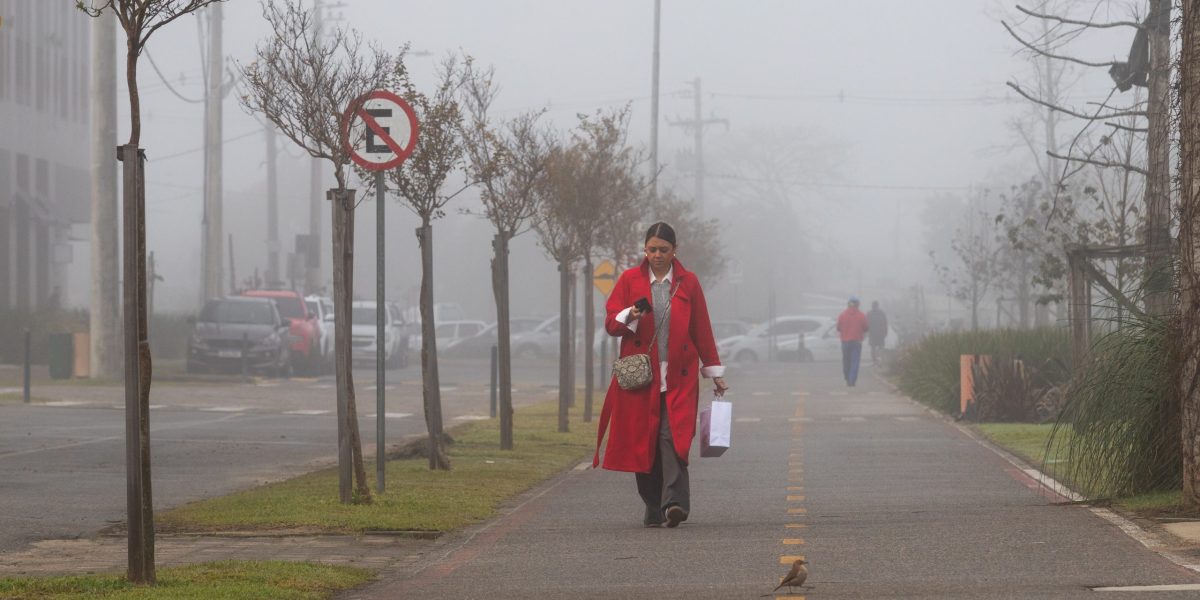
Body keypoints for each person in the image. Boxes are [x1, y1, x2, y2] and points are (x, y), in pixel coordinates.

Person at [593, 222, 729, 528]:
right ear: (645, 250)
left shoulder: (688, 283)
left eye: (663, 250)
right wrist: (630, 314)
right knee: (646, 441)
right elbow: (611, 325)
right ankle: (653, 505)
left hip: (680, 377)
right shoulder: (629, 280)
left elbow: (701, 330)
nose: (657, 255)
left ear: (674, 251)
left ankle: (675, 504)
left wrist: (714, 370)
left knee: (673, 437)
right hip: (641, 378)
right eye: (652, 249)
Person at [836, 297, 869, 386]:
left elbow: (838, 328)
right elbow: (866, 328)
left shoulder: (842, 315)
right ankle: (852, 380)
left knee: (846, 361)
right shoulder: (861, 315)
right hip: (856, 342)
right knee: (855, 362)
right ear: (857, 304)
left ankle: (847, 376)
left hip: (845, 342)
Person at [867, 301, 889, 365]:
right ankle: (879, 361)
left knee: (873, 348)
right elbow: (885, 323)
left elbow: (866, 324)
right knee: (881, 347)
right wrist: (885, 332)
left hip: (872, 334)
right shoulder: (882, 313)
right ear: (878, 306)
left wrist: (867, 332)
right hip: (881, 333)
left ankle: (875, 361)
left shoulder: (869, 314)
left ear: (872, 306)